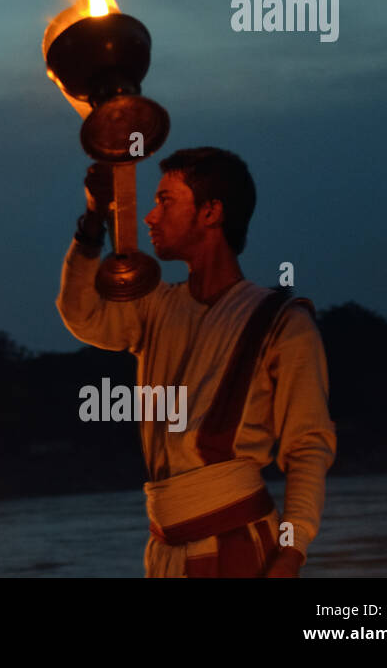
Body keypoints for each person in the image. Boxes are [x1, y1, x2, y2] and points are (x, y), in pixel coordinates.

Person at [56, 148, 336, 578]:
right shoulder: (155, 307)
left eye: (165, 201)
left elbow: (307, 446)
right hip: (165, 548)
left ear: (211, 212)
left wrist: (291, 550)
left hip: (240, 545)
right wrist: (94, 222)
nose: (149, 217)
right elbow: (82, 314)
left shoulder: (283, 322)